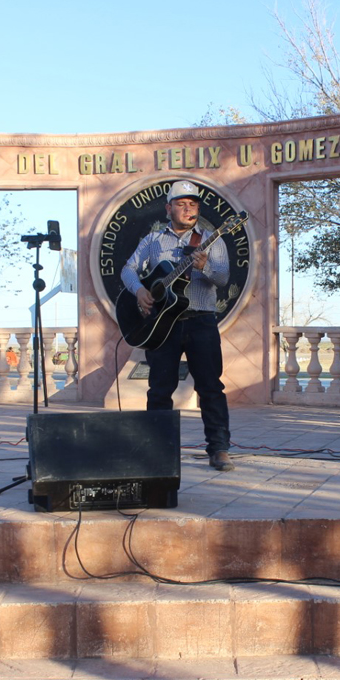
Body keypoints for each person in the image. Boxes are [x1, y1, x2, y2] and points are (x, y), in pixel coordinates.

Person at [121, 180, 234, 471]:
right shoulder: (153, 240)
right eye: (182, 204)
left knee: (211, 387)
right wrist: (140, 291)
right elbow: (128, 269)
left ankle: (219, 448)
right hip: (162, 326)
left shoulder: (213, 239)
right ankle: (157, 449)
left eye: (193, 204)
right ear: (169, 208)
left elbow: (222, 279)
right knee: (159, 388)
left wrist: (204, 267)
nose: (188, 209)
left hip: (201, 321)